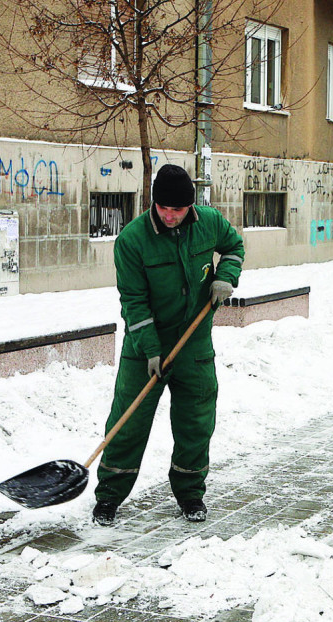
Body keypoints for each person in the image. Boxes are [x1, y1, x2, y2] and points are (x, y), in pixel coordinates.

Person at [92, 164, 245, 526]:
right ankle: (109, 497)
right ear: (154, 203)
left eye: (179, 210)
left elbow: (234, 246)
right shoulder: (132, 240)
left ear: (190, 207)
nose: (171, 216)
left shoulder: (208, 222)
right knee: (127, 423)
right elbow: (133, 300)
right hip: (144, 347)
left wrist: (226, 277)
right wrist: (150, 349)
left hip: (193, 345)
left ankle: (191, 494)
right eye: (165, 209)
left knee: (196, 422)